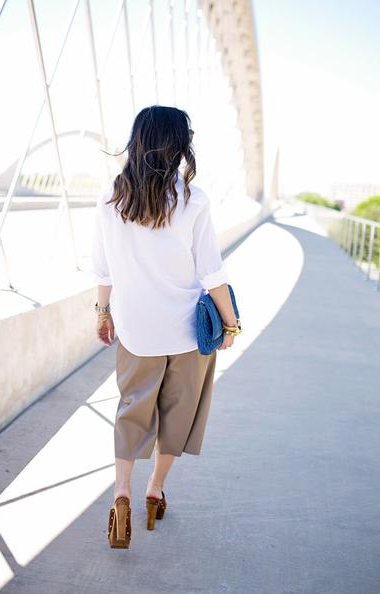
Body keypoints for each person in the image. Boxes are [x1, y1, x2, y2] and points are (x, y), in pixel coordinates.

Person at [91, 105, 241, 548]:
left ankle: (122, 498)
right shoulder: (193, 200)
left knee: (131, 412)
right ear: (179, 144)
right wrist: (231, 324)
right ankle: (154, 492)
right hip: (189, 333)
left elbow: (102, 271)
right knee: (178, 414)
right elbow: (211, 272)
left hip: (137, 330)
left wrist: (103, 314)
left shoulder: (110, 198)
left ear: (137, 139)